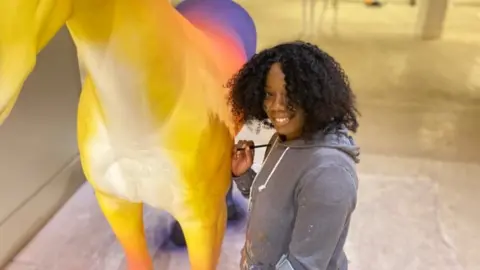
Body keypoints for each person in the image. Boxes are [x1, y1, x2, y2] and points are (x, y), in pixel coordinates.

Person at [227, 41, 360, 270]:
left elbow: (302, 266)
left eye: (290, 95)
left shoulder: (328, 173)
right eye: (269, 94)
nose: (276, 106)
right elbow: (276, 202)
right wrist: (244, 175)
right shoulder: (285, 137)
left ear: (313, 95)